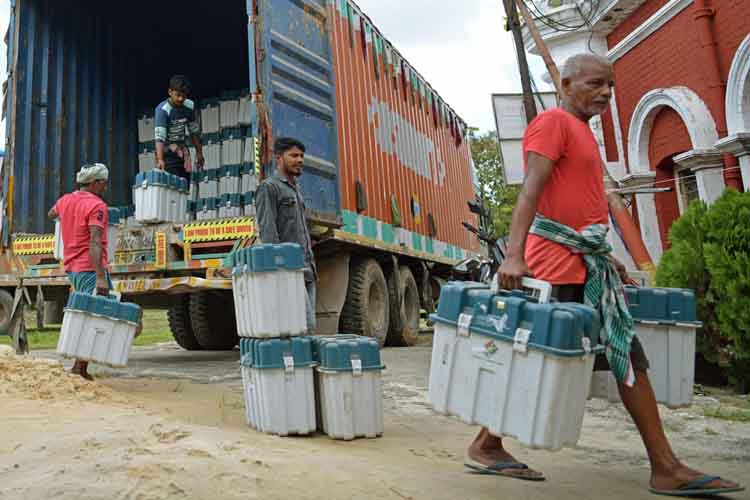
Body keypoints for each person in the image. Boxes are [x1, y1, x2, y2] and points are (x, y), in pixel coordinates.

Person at [468, 53, 744, 497]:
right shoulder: (553, 123)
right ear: (566, 83)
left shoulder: (581, 133)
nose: (606, 93)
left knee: (621, 355)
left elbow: (580, 205)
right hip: (554, 267)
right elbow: (530, 190)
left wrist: (608, 256)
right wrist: (513, 255)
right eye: (595, 84)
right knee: (540, 361)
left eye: (610, 86)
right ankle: (489, 443)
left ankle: (663, 464)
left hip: (585, 264)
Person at [48, 164, 114, 380]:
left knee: (91, 313)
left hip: (72, 267)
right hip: (90, 268)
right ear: (94, 183)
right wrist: (101, 277)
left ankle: (81, 366)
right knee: (93, 315)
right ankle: (79, 367)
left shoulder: (65, 200)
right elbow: (95, 241)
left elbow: (52, 213)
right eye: (103, 181)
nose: (105, 185)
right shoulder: (97, 206)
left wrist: (67, 216)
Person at [255, 137, 317, 334]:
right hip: (290, 271)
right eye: (294, 155)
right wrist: (280, 269)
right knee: (305, 327)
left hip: (308, 270)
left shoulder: (296, 190)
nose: (299, 160)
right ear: (279, 158)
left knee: (304, 328)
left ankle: (305, 365)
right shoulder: (269, 187)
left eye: (301, 156)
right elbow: (268, 231)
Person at [154, 74, 204, 180]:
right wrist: (160, 159)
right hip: (167, 155)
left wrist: (199, 153)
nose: (181, 99)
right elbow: (159, 138)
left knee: (184, 187)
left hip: (182, 153)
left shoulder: (189, 106)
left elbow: (194, 132)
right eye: (177, 95)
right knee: (172, 188)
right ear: (170, 92)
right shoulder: (162, 110)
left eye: (184, 96)